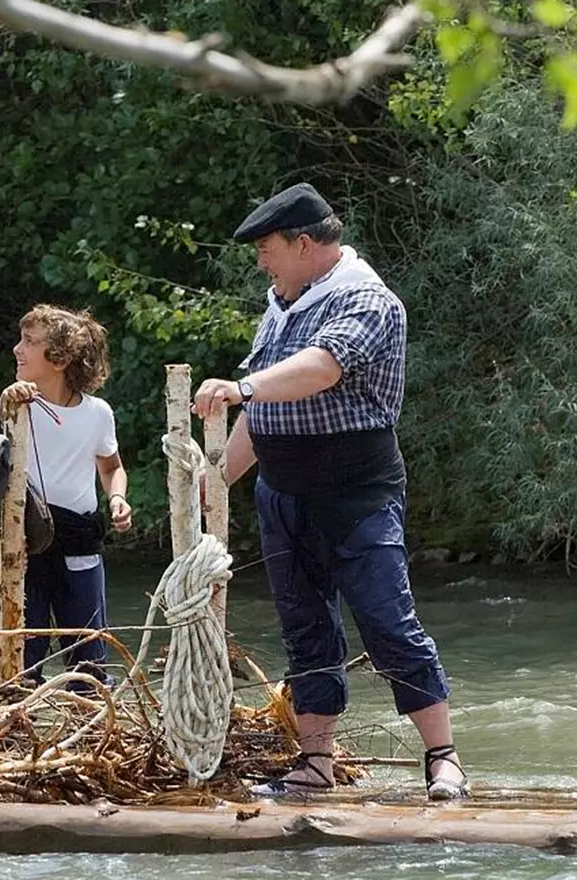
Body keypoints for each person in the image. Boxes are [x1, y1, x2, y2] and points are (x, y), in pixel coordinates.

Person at [192, 183, 469, 800]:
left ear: (305, 243)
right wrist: (210, 484)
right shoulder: (283, 301)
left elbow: (322, 368)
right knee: (304, 627)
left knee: (386, 620)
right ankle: (316, 760)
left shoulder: (368, 299)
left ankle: (443, 756)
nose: (262, 263)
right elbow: (260, 418)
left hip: (355, 490)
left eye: (267, 249)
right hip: (284, 490)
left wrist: (242, 387)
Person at [0, 305, 132, 683]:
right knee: (23, 656)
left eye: (29, 342)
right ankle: (20, 731)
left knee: (89, 655)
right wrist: (12, 396)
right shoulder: (17, 405)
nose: (17, 349)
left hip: (79, 540)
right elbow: (5, 407)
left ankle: (91, 726)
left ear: (59, 358)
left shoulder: (98, 413)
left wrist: (117, 498)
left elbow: (111, 467)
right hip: (28, 542)